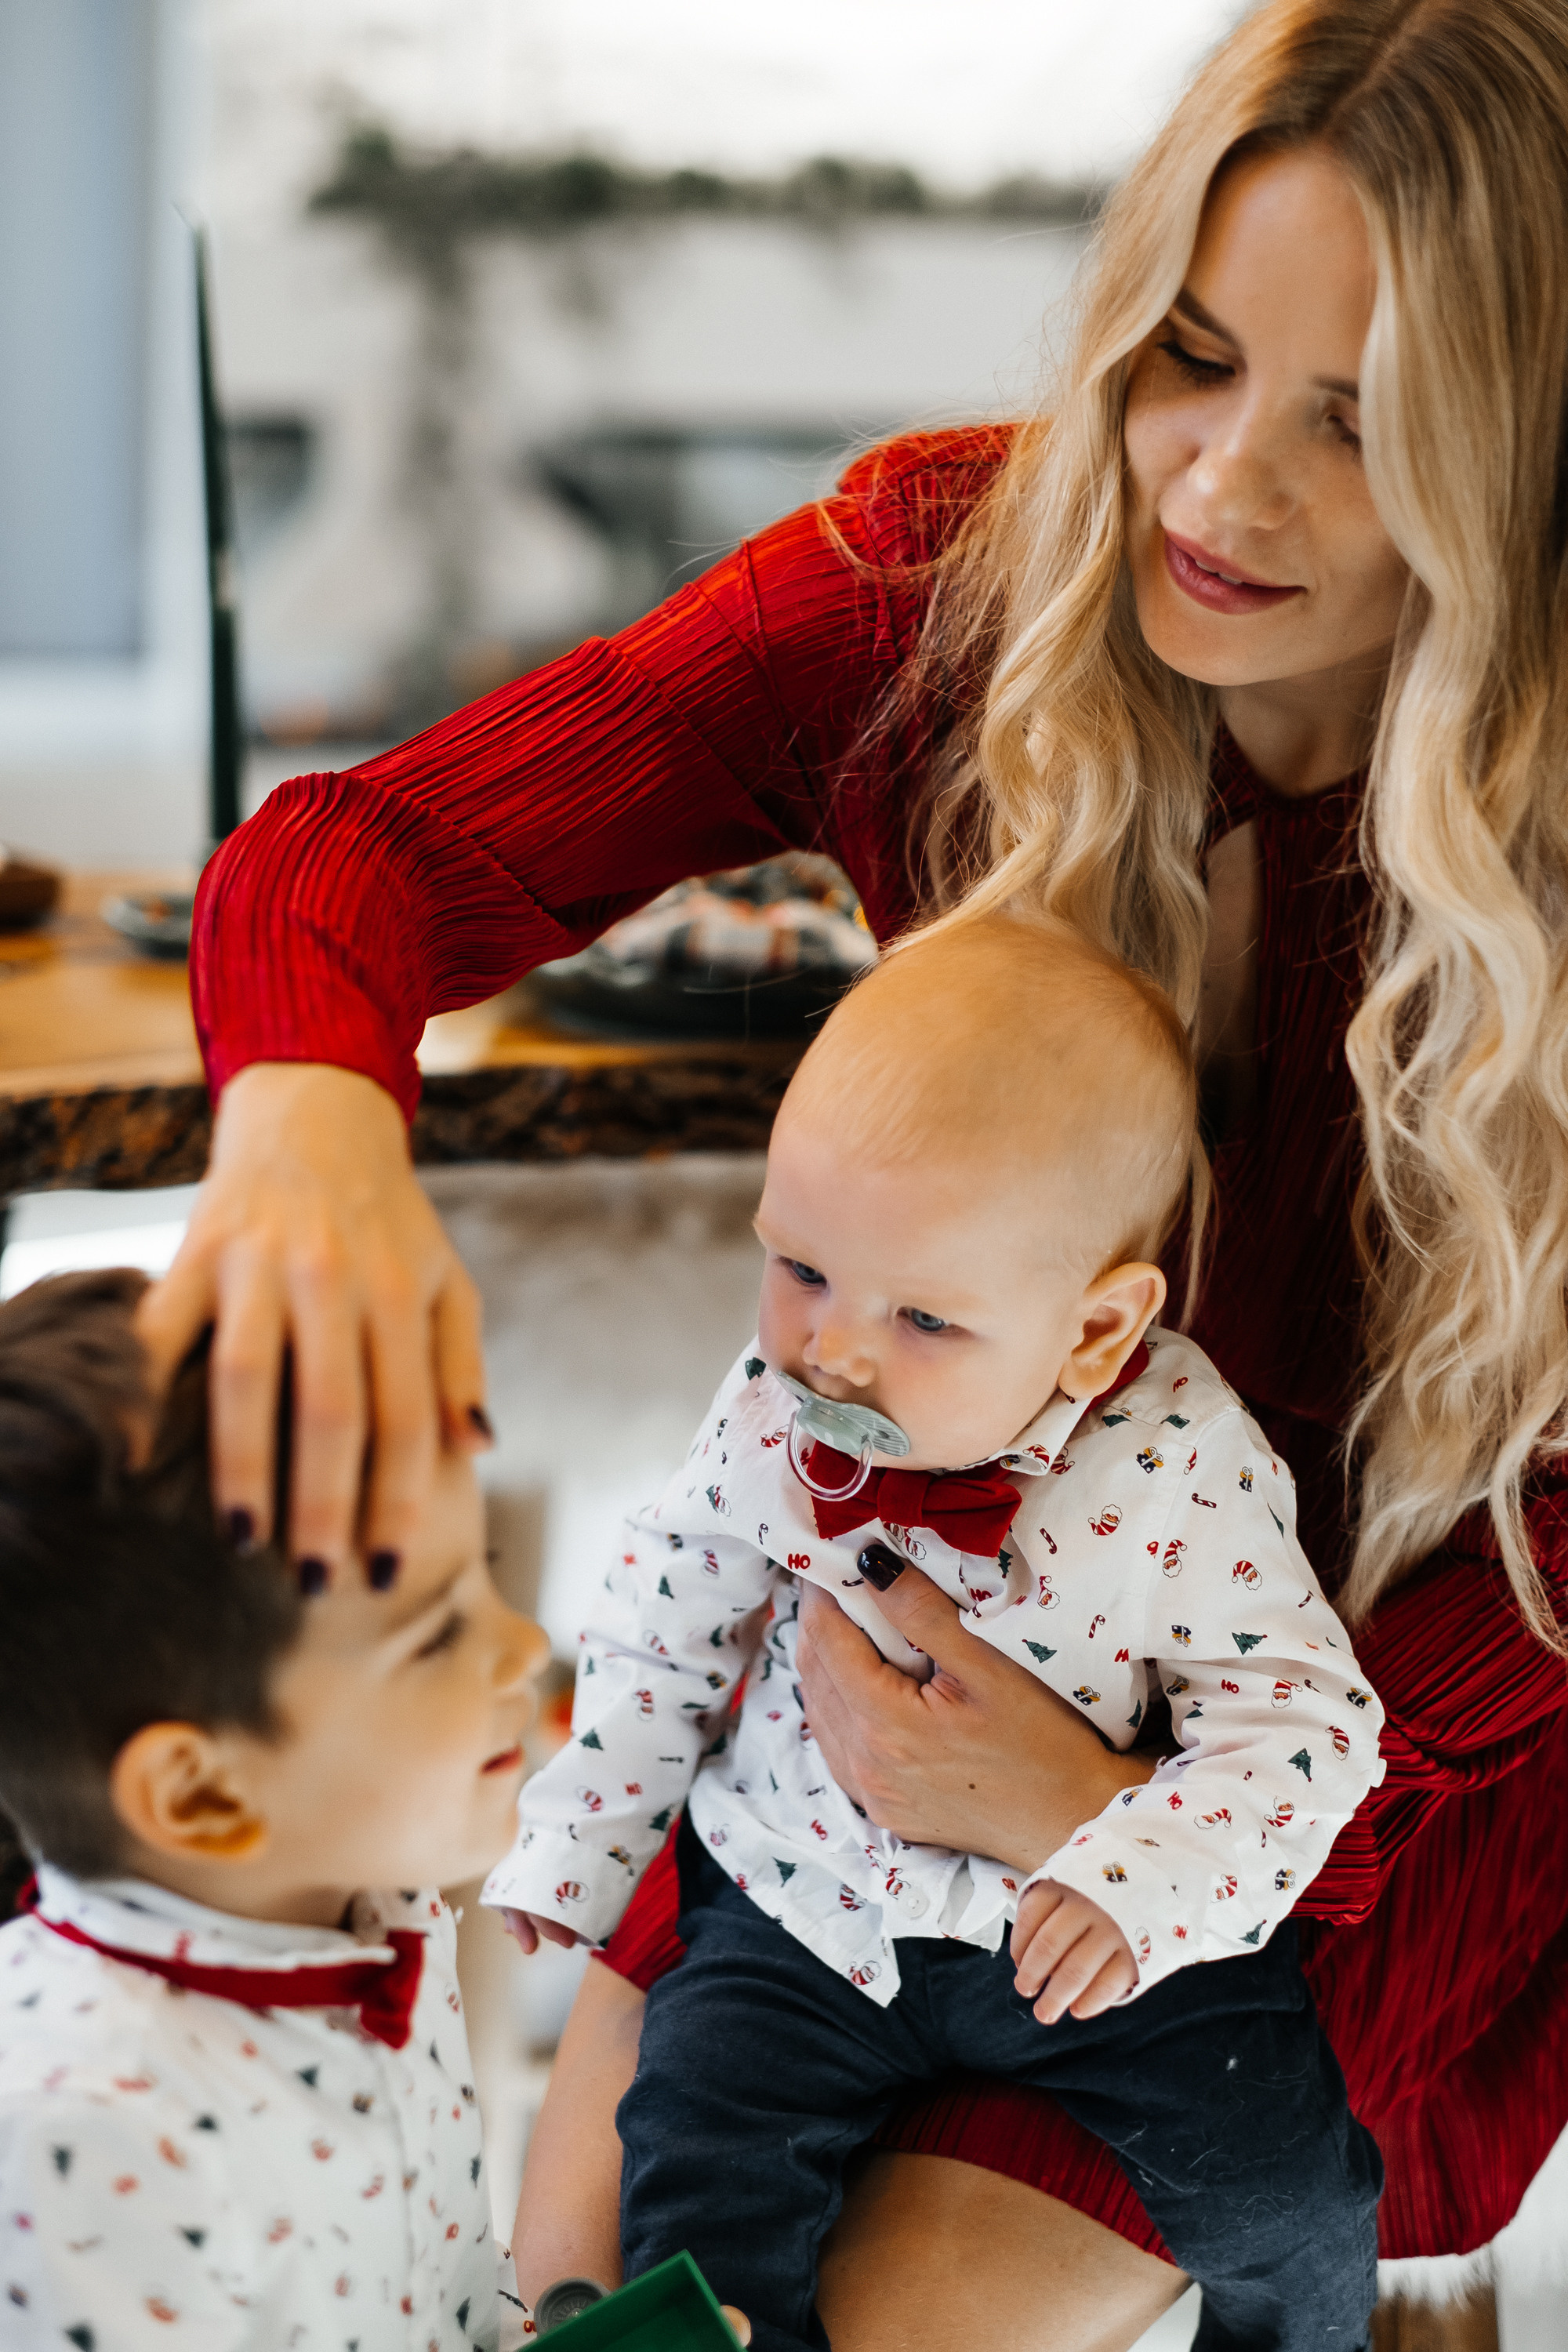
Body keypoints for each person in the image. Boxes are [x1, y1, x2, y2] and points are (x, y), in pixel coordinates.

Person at [155, 0, 1568, 2340]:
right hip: (846, 1733)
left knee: (863, 2320)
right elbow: (362, 851)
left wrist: (1127, 1806)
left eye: (1364, 421)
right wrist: (309, 1131)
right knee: (608, 2302)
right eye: (1189, 360)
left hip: (1354, 1801)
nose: (1216, 493)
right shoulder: (942, 582)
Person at [492, 915, 1386, 2352]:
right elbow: (662, 1619)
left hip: (1087, 1932)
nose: (830, 1352)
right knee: (689, 2188)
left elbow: (1306, 1726)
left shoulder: (1180, 1465)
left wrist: (1142, 1873)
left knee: (1294, 2198)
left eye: (922, 1317)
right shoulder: (773, 1410)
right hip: (799, 1908)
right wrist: (583, 1838)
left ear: (1094, 1333)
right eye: (800, 1271)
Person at [0, 1268, 547, 2348]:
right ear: (203, 1794)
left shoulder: (385, 1917)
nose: (525, 1647)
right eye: (436, 1633)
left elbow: (457, 2294)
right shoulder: (86, 2128)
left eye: (480, 1577)